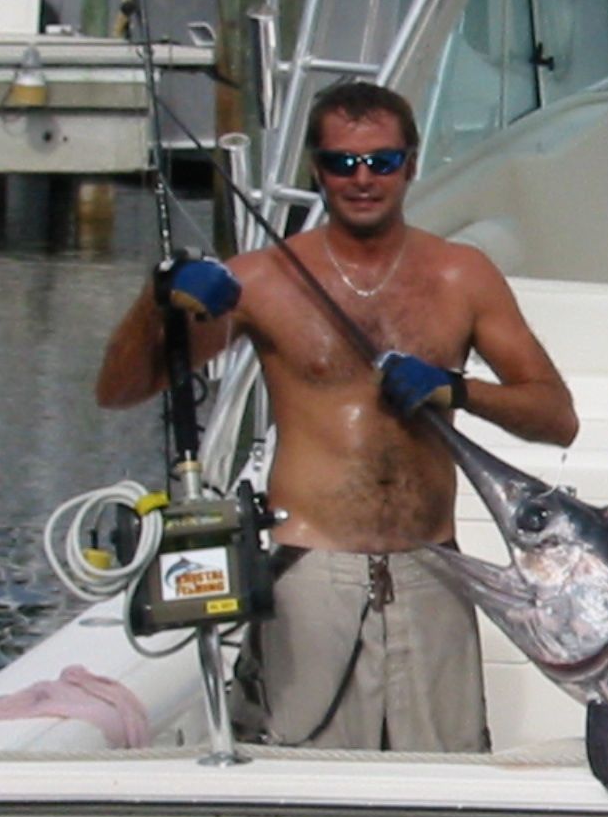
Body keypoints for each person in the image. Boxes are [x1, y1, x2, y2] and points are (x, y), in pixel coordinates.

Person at [95, 81, 577, 752]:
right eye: (340, 162)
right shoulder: (259, 280)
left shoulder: (463, 276)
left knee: (448, 792)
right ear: (314, 169)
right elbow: (119, 390)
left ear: (410, 163)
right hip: (309, 571)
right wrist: (157, 300)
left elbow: (557, 416)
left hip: (432, 569)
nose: (361, 178)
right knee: (305, 780)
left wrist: (456, 389)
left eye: (381, 161)